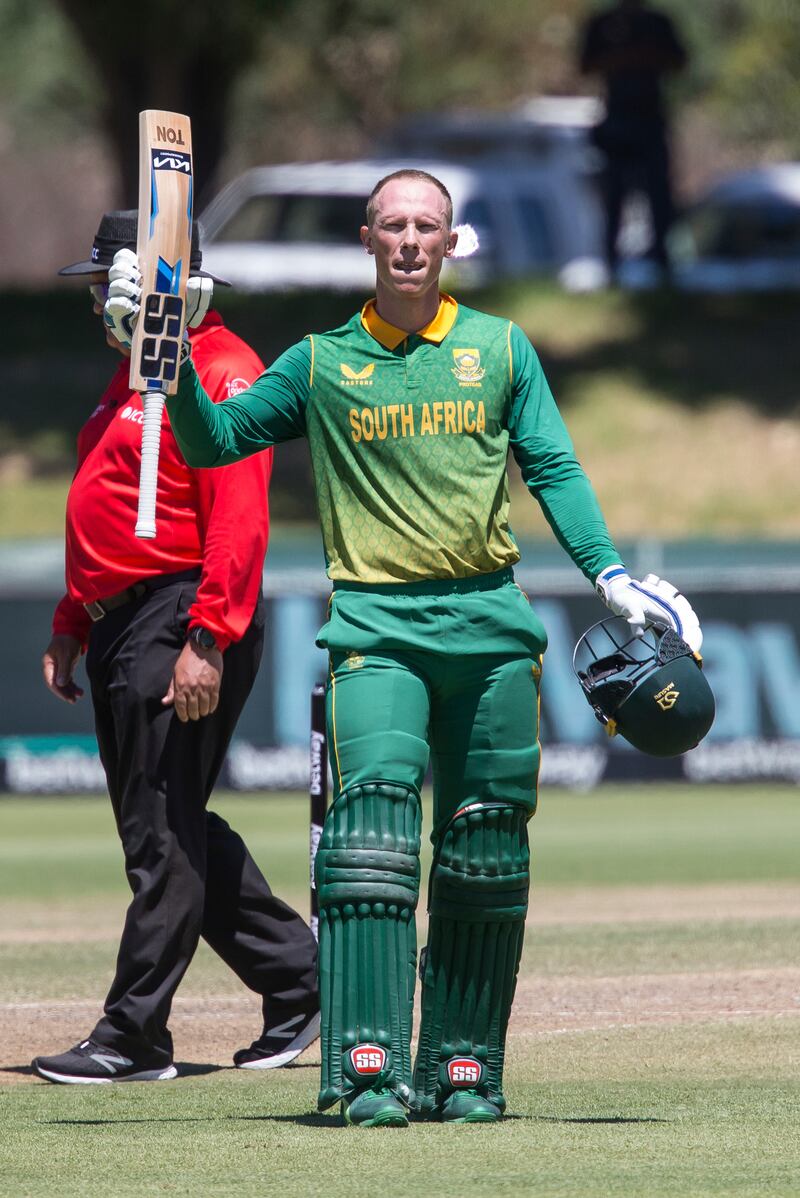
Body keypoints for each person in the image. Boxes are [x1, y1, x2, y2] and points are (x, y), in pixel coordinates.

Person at [109, 170, 702, 1124]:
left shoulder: (500, 349)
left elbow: (550, 464)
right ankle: (367, 1072)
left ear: (452, 241)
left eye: (429, 226)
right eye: (394, 226)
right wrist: (165, 358)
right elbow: (216, 442)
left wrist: (609, 574)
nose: (412, 242)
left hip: (491, 634)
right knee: (370, 845)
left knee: (484, 852)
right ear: (367, 239)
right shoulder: (321, 361)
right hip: (377, 628)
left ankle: (465, 1074)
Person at [32, 211, 319, 1085]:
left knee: (161, 831)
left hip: (182, 615)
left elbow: (239, 521)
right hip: (128, 621)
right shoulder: (131, 378)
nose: (94, 305)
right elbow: (113, 509)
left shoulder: (224, 371)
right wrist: (74, 618)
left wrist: (207, 637)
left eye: (102, 285)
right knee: (169, 826)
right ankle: (307, 985)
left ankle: (135, 1035)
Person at [578, 0, 688, 278]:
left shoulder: (658, 23)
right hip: (616, 121)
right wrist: (622, 59)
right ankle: (610, 265)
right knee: (614, 196)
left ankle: (664, 265)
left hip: (650, 119)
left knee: (659, 197)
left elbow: (679, 61)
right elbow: (586, 64)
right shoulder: (604, 25)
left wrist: (645, 57)